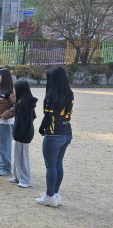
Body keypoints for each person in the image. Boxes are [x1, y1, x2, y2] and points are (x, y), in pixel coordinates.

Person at [36, 66, 73, 207]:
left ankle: (50, 195)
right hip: (66, 133)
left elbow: (48, 117)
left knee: (50, 166)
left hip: (53, 134)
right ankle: (55, 193)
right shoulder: (69, 93)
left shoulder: (51, 96)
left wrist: (41, 129)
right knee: (58, 164)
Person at [10, 80, 37, 188]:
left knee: (22, 156)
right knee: (18, 155)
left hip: (23, 134)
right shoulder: (24, 101)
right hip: (23, 132)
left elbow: (22, 121)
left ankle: (26, 179)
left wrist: (18, 133)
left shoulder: (24, 103)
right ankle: (17, 175)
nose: (13, 91)